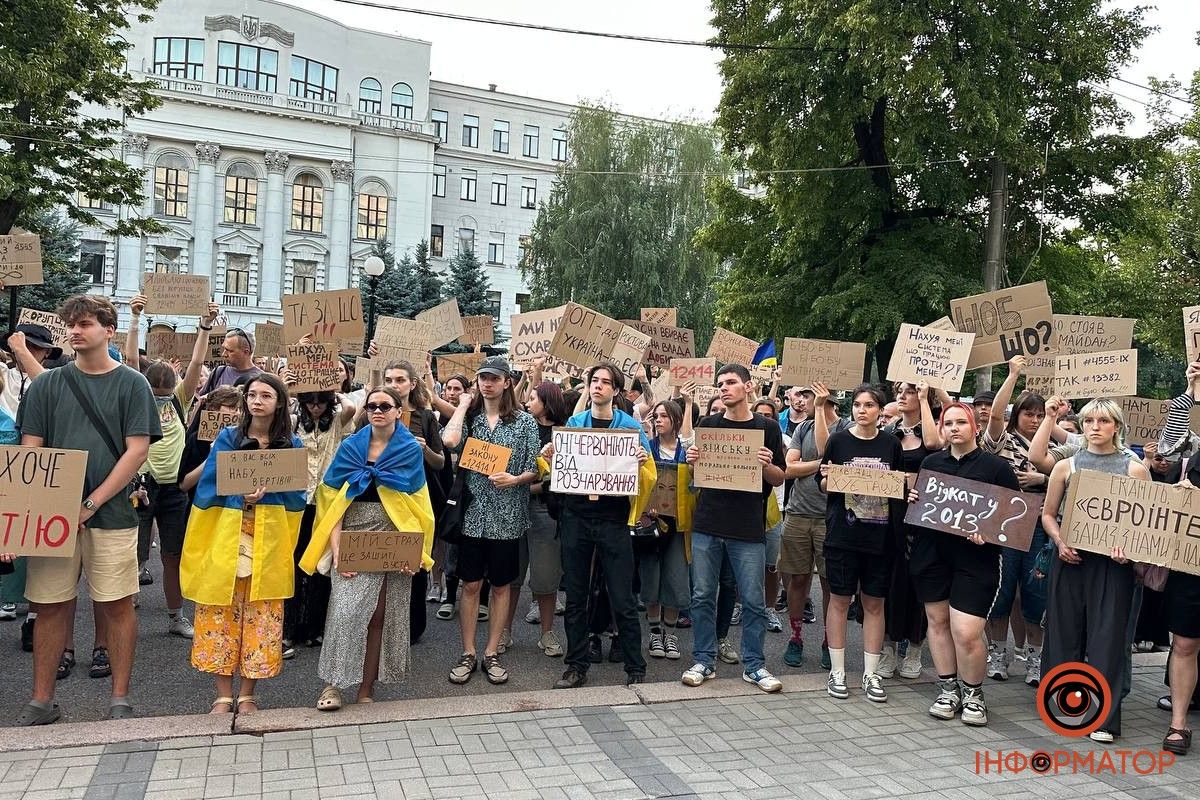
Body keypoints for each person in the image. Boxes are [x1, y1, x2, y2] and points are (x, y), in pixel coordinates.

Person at [8, 296, 160, 725]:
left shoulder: (133, 383)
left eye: (86, 323)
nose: (75, 331)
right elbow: (30, 451)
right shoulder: (46, 386)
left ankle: (120, 699)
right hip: (53, 516)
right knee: (50, 606)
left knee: (117, 604)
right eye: (71, 324)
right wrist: (26, 515)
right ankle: (41, 700)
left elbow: (137, 450)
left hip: (111, 514)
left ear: (109, 330)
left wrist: (90, 504)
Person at [299, 386, 435, 710]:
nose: (377, 410)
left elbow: (420, 505)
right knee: (344, 613)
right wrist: (339, 549)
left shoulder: (409, 451)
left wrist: (413, 552)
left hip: (395, 539)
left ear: (398, 412)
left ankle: (366, 686)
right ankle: (333, 684)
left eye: (385, 406)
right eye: (372, 405)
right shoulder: (349, 447)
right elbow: (330, 502)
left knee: (380, 617)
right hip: (354, 537)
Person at [180, 374, 305, 714]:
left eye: (266, 395)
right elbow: (208, 484)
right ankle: (222, 694)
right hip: (227, 535)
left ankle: (248, 693)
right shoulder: (228, 438)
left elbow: (296, 498)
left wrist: (267, 495)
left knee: (261, 616)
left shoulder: (290, 446)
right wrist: (241, 493)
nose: (256, 401)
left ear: (279, 402)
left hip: (270, 538)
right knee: (220, 611)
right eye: (251, 394)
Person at [1041, 398, 1149, 744]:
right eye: (1088, 420)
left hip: (1113, 567)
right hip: (1070, 561)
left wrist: (1128, 550)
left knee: (1108, 640)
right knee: (1064, 635)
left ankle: (1104, 717)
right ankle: (1066, 706)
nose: (1095, 427)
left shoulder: (1133, 468)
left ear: (1116, 426)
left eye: (1103, 420)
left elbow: (1145, 524)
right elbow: (1047, 514)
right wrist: (1059, 541)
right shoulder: (1066, 467)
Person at [908, 402, 1020, 725]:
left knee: (967, 631)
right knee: (938, 622)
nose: (954, 428)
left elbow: (1015, 515)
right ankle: (948, 688)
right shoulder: (931, 462)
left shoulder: (995, 467)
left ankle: (973, 693)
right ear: (942, 429)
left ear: (975, 427)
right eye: (949, 423)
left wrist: (990, 532)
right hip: (932, 555)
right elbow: (922, 508)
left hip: (977, 559)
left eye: (961, 422)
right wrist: (914, 499)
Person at [682, 364, 787, 693]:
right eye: (720, 384)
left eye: (730, 383)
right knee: (701, 596)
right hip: (708, 523)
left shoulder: (767, 427)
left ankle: (754, 665)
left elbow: (780, 477)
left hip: (747, 527)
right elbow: (696, 475)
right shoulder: (708, 424)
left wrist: (766, 463)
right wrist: (693, 460)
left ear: (748, 386)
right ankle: (704, 660)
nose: (724, 388)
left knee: (754, 600)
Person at [551, 362, 655, 689]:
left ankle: (635, 667)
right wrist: (550, 455)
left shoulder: (629, 427)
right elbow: (560, 466)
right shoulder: (575, 423)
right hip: (577, 516)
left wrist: (641, 461)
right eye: (593, 380)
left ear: (616, 390)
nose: (597, 386)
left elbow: (648, 472)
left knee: (622, 595)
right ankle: (576, 666)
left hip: (612, 517)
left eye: (604, 382)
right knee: (577, 595)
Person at [125, 294, 221, 640]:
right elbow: (132, 358)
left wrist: (205, 328)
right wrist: (135, 319)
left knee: (172, 555)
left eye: (166, 390)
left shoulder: (180, 399)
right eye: (157, 391)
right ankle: (128, 605)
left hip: (172, 489)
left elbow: (196, 365)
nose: (162, 395)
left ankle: (176, 615)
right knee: (132, 553)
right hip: (140, 486)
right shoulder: (137, 393)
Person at [441, 357, 540, 685]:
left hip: (507, 517)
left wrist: (514, 480)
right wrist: (463, 404)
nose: (487, 383)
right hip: (473, 516)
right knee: (470, 585)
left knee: (500, 587)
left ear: (507, 382)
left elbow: (534, 468)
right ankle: (468, 651)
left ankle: (492, 651)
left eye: (494, 378)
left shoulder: (524, 423)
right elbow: (450, 442)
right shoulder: (471, 418)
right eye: (483, 377)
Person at [818, 384, 903, 703]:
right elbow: (823, 483)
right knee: (839, 601)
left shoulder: (891, 444)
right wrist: (828, 478)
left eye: (869, 405)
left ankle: (871, 673)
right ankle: (837, 672)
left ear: (881, 410)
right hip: (843, 535)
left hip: (880, 538)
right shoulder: (838, 441)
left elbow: (897, 484)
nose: (862, 410)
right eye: (856, 405)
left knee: (874, 604)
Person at [980, 357, 1053, 685]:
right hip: (1004, 525)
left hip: (1038, 527)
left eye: (1039, 415)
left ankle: (1035, 660)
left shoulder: (1053, 446)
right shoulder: (1001, 441)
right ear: (1017, 416)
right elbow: (995, 414)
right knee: (1002, 591)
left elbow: (1071, 482)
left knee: (1036, 593)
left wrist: (1041, 479)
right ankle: (998, 653)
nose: (1035, 420)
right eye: (1029, 413)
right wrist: (1013, 375)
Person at [878, 382, 945, 680]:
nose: (902, 396)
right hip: (891, 515)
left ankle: (915, 649)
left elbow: (932, 445)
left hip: (923, 517)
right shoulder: (889, 432)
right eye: (899, 392)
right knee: (888, 581)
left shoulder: (932, 430)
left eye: (909, 392)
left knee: (920, 581)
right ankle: (888, 649)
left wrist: (924, 397)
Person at [781, 381, 850, 671]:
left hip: (830, 519)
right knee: (797, 580)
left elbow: (833, 457)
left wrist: (815, 462)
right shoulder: (802, 428)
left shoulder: (845, 428)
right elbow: (789, 468)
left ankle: (827, 639)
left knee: (829, 583)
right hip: (798, 513)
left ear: (825, 397)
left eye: (806, 395)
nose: (800, 400)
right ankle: (795, 637)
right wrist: (820, 465)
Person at [284, 390, 356, 652]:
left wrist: (335, 392)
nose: (315, 407)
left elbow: (350, 407)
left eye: (321, 402)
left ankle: (315, 627)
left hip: (325, 503)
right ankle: (289, 628)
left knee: (320, 568)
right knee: (294, 565)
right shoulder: (292, 421)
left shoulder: (337, 421)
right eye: (310, 402)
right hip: (298, 503)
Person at [641, 395, 696, 661]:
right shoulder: (646, 448)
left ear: (675, 420)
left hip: (679, 524)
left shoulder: (687, 451)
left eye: (663, 416)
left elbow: (695, 487)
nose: (658, 420)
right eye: (655, 417)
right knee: (651, 577)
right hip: (650, 524)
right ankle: (654, 633)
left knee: (675, 579)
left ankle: (670, 634)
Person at [521, 378, 571, 658]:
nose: (528, 403)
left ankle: (547, 633)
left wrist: (528, 485)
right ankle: (504, 632)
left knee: (546, 576)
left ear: (548, 401)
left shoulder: (564, 434)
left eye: (534, 398)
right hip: (514, 508)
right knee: (512, 576)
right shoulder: (520, 428)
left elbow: (562, 479)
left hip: (545, 509)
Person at [198, 328, 261, 394]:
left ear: (246, 352)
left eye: (230, 351)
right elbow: (201, 400)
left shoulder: (261, 379)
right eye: (224, 349)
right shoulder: (218, 372)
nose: (223, 354)